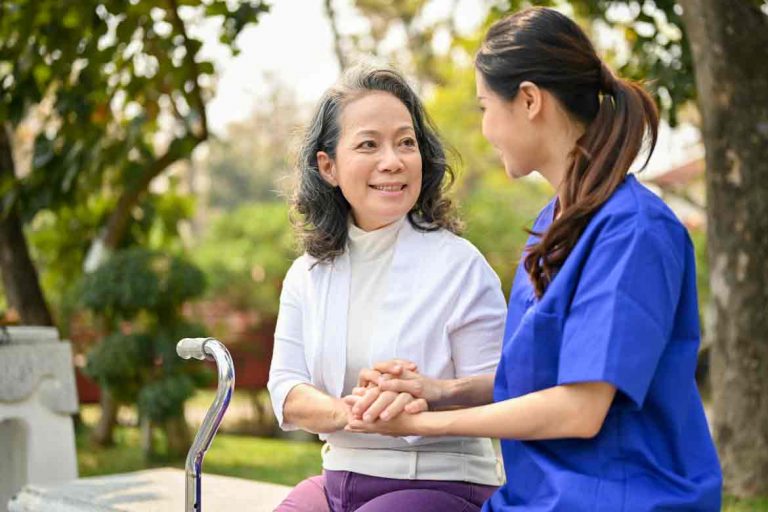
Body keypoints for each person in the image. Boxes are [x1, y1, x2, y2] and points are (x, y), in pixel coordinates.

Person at [347, 7, 723, 511]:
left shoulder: (635, 230)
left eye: (484, 107)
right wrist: (439, 389)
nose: (483, 128)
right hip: (535, 499)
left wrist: (418, 425)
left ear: (527, 100)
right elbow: (537, 378)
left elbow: (580, 408)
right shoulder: (554, 222)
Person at [267, 65, 506, 512]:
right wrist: (356, 414)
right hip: (336, 480)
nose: (392, 160)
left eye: (406, 143)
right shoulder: (308, 273)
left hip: (441, 483)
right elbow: (286, 388)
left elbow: (502, 387)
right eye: (368, 144)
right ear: (328, 167)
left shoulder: (460, 265)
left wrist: (429, 392)